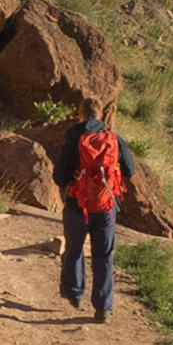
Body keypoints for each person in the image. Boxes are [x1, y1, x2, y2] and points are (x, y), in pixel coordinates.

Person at [56, 92, 125, 320]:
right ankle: (103, 307)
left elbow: (59, 177)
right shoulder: (114, 140)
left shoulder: (73, 140)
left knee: (74, 249)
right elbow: (131, 170)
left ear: (80, 114)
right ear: (101, 115)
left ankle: (74, 293)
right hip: (105, 206)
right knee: (104, 255)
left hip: (78, 204)